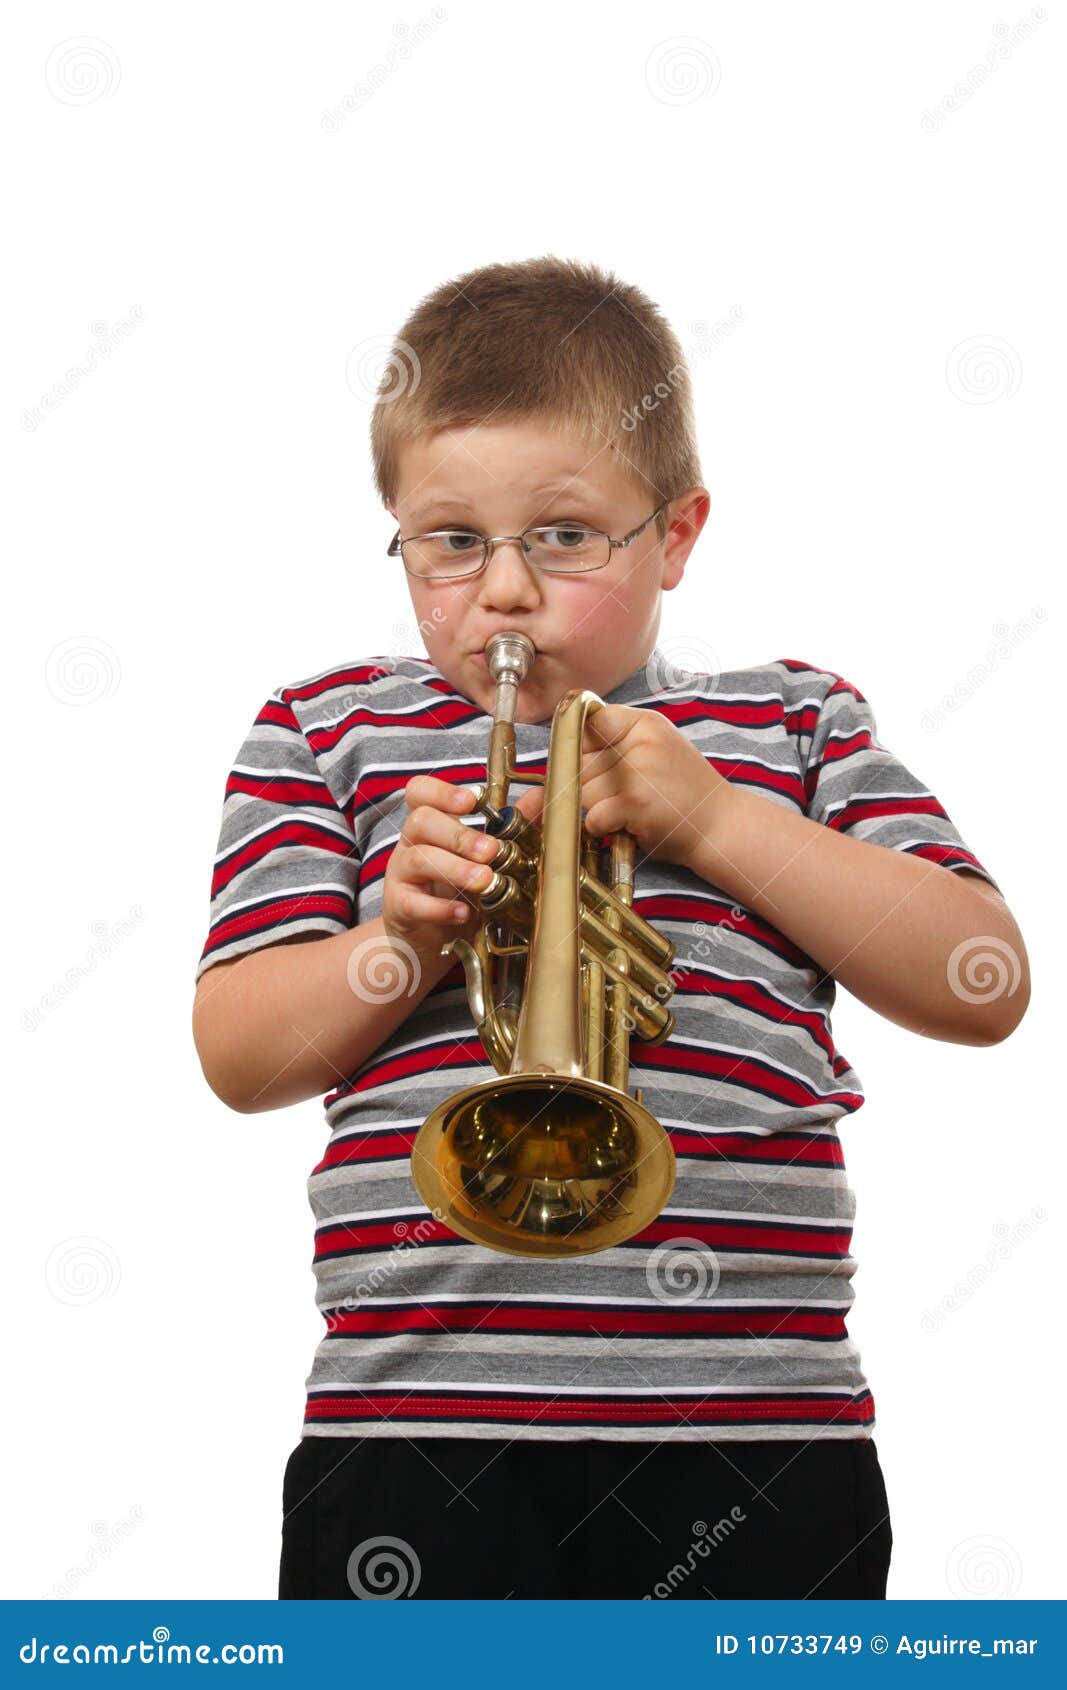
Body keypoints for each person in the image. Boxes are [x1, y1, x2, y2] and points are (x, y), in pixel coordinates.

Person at [191, 257, 1029, 1601]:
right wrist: (402, 939)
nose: (505, 591)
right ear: (399, 536)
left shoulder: (792, 723)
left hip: (759, 1433)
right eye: (452, 542)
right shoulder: (325, 732)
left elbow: (981, 980)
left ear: (678, 536)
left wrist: (717, 821)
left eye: (566, 535)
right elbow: (239, 1054)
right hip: (411, 1431)